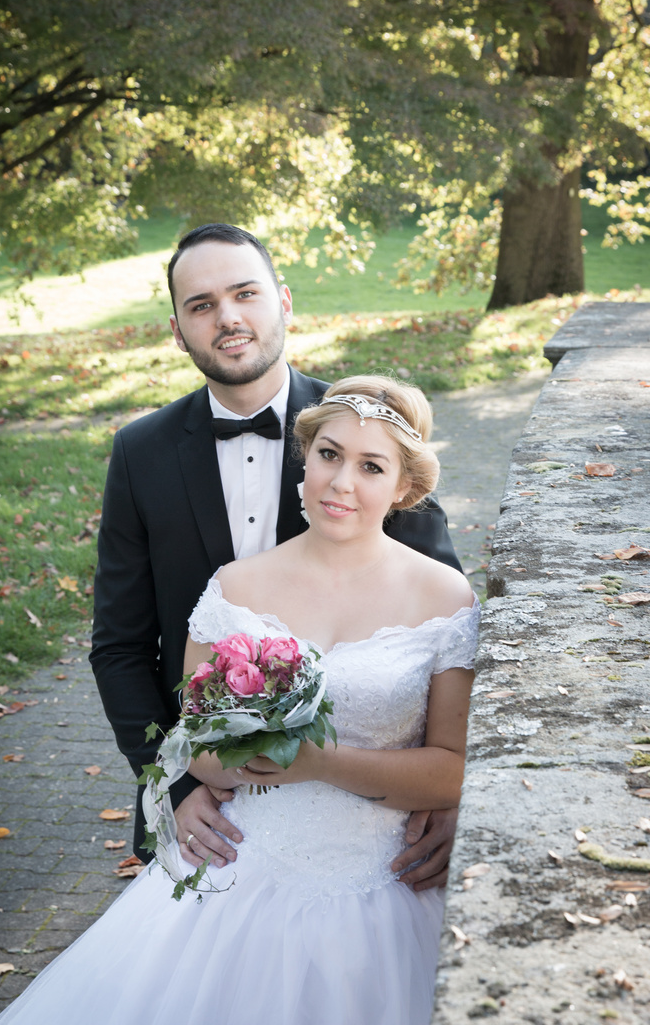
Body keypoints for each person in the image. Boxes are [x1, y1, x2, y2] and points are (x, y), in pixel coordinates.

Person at [0, 375, 479, 1025]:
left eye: (371, 466)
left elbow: (452, 768)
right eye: (329, 455)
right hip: (241, 869)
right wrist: (241, 746)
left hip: (389, 881)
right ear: (305, 459)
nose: (340, 482)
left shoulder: (444, 599)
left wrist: (316, 760)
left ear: (404, 487)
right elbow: (197, 747)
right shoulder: (235, 589)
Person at [90, 223, 463, 888]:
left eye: (245, 294)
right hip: (216, 817)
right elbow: (119, 646)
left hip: (379, 828)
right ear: (178, 329)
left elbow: (448, 643)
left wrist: (445, 796)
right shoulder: (139, 454)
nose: (228, 318)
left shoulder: (364, 432)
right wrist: (176, 783)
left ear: (283, 302)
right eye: (201, 305)